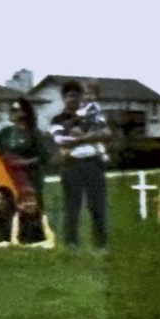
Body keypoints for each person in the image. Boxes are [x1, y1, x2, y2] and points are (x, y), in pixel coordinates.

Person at [50, 80, 111, 250]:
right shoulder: (58, 119)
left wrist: (80, 138)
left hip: (93, 162)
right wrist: (90, 137)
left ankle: (101, 244)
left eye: (76, 96)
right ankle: (71, 244)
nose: (73, 99)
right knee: (72, 206)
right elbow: (60, 140)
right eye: (69, 96)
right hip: (71, 164)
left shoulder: (93, 114)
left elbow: (106, 134)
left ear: (81, 97)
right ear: (64, 98)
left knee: (97, 205)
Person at [0, 97, 50, 208]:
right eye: (11, 109)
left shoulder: (34, 133)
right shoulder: (5, 132)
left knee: (32, 211)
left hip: (30, 179)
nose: (12, 112)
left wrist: (25, 162)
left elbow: (44, 157)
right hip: (10, 178)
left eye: (15, 109)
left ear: (24, 112)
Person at [68, 78, 110, 163]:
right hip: (83, 129)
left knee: (96, 141)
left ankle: (102, 152)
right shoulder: (78, 107)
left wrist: (84, 130)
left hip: (93, 126)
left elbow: (96, 120)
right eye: (85, 94)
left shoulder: (94, 105)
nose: (88, 97)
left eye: (91, 94)